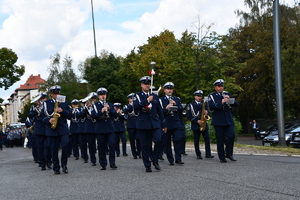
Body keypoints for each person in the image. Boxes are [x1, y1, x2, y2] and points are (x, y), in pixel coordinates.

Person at [133, 76, 167, 172]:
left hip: (154, 123)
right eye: (145, 83)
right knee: (145, 145)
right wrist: (147, 100)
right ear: (141, 85)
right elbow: (136, 107)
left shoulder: (155, 96)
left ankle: (155, 159)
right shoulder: (137, 96)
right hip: (142, 124)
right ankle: (147, 165)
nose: (147, 85)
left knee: (159, 140)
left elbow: (159, 111)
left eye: (148, 83)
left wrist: (164, 124)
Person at [40, 85, 72, 174]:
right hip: (51, 129)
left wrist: (63, 111)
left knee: (65, 145)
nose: (56, 95)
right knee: (53, 149)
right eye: (54, 93)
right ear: (51, 94)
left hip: (63, 129)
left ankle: (64, 164)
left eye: (58, 93)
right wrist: (48, 120)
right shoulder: (46, 103)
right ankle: (56, 167)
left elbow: (70, 115)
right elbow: (42, 116)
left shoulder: (64, 102)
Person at [208, 79, 238, 163]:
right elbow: (211, 107)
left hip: (228, 120)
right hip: (218, 121)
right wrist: (221, 102)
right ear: (215, 87)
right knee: (220, 139)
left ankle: (229, 153)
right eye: (219, 86)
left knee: (231, 136)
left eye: (222, 86)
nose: (220, 88)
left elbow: (236, 104)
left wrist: (231, 99)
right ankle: (222, 157)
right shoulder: (212, 96)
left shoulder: (226, 94)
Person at [91, 88, 118, 170]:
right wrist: (101, 111)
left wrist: (109, 109)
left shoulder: (110, 104)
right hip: (100, 128)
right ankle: (103, 163)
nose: (103, 96)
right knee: (101, 146)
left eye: (104, 94)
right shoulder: (95, 105)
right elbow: (93, 116)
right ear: (98, 96)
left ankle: (112, 163)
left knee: (112, 144)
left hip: (110, 128)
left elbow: (115, 115)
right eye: (101, 95)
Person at [159, 82, 184, 165]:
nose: (169, 90)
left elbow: (181, 109)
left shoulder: (177, 99)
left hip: (176, 123)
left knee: (178, 140)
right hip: (167, 123)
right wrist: (166, 108)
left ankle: (178, 158)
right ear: (164, 90)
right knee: (167, 142)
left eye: (171, 89)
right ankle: (170, 159)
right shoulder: (161, 100)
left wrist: (175, 104)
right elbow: (159, 112)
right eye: (168, 89)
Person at [186, 90, 214, 159]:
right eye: (198, 96)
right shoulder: (191, 105)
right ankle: (198, 154)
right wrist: (196, 121)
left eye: (200, 96)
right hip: (196, 125)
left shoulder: (204, 104)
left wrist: (207, 113)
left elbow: (209, 114)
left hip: (204, 124)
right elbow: (188, 115)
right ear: (194, 96)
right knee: (196, 140)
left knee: (207, 139)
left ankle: (208, 153)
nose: (199, 97)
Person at [28, 92, 52, 170]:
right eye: (41, 99)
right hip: (38, 129)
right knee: (40, 147)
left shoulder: (48, 105)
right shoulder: (33, 107)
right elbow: (30, 115)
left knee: (48, 146)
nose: (43, 100)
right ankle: (42, 163)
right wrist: (36, 109)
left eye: (44, 98)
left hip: (47, 128)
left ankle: (48, 161)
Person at [80, 92, 97, 166]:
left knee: (98, 144)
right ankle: (93, 159)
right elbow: (81, 115)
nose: (93, 100)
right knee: (91, 144)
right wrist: (87, 108)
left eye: (94, 98)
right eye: (91, 98)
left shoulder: (97, 106)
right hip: (89, 127)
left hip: (97, 126)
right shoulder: (85, 107)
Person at [123, 93, 141, 159]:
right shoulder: (126, 106)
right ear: (128, 99)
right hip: (130, 125)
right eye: (131, 98)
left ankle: (139, 152)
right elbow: (125, 111)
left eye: (133, 98)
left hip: (137, 125)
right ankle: (134, 154)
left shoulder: (137, 105)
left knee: (139, 139)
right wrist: (130, 106)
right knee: (132, 140)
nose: (132, 100)